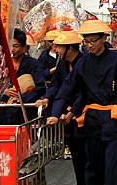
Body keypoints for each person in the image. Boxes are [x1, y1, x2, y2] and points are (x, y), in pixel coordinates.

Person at [48, 19, 117, 185]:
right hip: (93, 121)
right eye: (86, 42)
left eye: (93, 41)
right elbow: (67, 89)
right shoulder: (83, 63)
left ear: (104, 38)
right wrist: (55, 113)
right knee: (92, 167)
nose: (89, 45)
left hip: (114, 120)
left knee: (110, 168)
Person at [37, 30, 86, 184]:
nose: (56, 49)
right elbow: (57, 87)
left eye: (59, 47)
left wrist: (72, 112)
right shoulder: (62, 65)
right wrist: (47, 99)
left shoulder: (85, 63)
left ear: (70, 48)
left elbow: (84, 93)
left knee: (90, 160)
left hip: (86, 116)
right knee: (77, 157)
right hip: (68, 117)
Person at [0, 28, 46, 124]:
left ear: (24, 47)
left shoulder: (34, 64)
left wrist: (20, 99)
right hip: (5, 108)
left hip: (26, 110)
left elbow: (40, 87)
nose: (12, 49)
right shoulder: (2, 64)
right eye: (10, 46)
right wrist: (4, 92)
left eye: (15, 46)